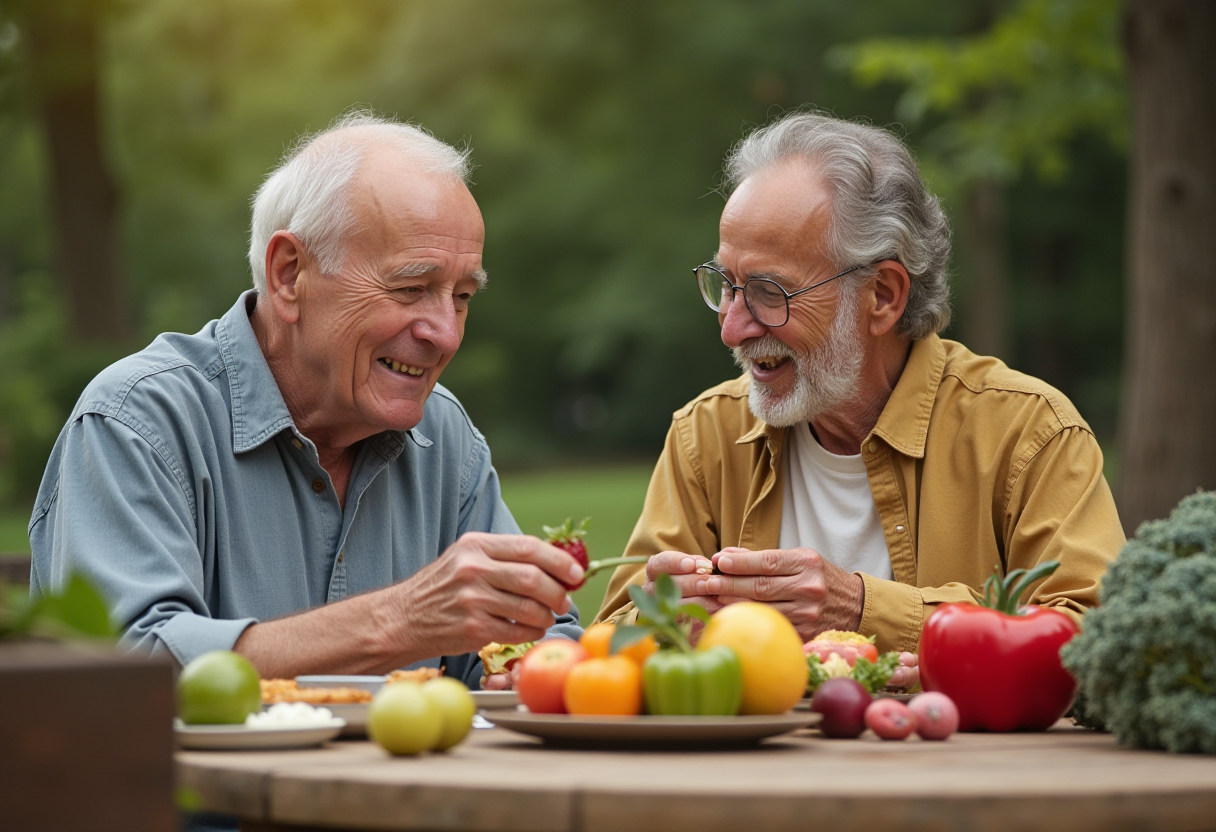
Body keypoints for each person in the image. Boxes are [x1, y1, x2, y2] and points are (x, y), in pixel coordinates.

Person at [29, 112, 582, 688]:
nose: (445, 333)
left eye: (462, 296)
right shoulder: (137, 422)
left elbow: (537, 641)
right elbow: (119, 677)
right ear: (289, 274)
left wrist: (556, 658)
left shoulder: (447, 439)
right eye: (411, 288)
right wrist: (401, 620)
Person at [595, 112, 1124, 682]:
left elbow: (1098, 639)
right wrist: (662, 621)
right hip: (755, 771)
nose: (732, 328)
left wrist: (864, 609)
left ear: (884, 296)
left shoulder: (1029, 432)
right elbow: (610, 643)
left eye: (769, 292)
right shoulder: (705, 436)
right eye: (726, 286)